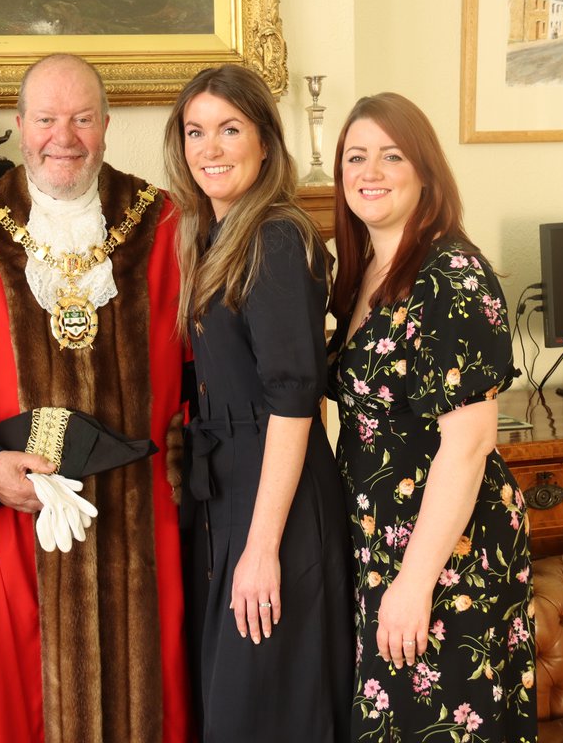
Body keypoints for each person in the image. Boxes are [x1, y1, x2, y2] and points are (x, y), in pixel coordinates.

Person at [0, 54, 192, 743]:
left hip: (148, 524)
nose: (66, 136)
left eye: (83, 118)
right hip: (15, 528)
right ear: (20, 127)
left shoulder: (169, 226)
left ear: (108, 126)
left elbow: (208, 378)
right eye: (49, 119)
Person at [326, 92, 537, 742]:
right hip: (382, 542)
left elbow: (468, 445)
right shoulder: (364, 269)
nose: (372, 171)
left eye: (392, 155)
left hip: (447, 550)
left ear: (425, 171)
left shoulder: (453, 273)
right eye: (356, 156)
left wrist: (413, 585)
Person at [162, 64, 352, 742]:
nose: (210, 148)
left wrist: (262, 546)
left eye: (229, 129)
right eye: (196, 131)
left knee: (268, 712)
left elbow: (295, 399)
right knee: (235, 709)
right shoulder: (211, 235)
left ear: (265, 142)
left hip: (279, 506)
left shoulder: (275, 236)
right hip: (226, 495)